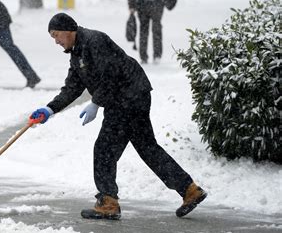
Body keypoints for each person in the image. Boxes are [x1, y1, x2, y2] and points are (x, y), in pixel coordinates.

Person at [30, 13, 206, 220]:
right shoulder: (77, 53)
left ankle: (108, 203)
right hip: (127, 97)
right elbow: (73, 87)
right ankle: (189, 190)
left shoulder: (95, 41)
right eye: (53, 37)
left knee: (105, 149)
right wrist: (50, 109)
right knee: (147, 148)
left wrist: (96, 102)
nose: (56, 41)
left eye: (57, 35)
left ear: (69, 31)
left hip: (128, 96)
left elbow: (111, 74)